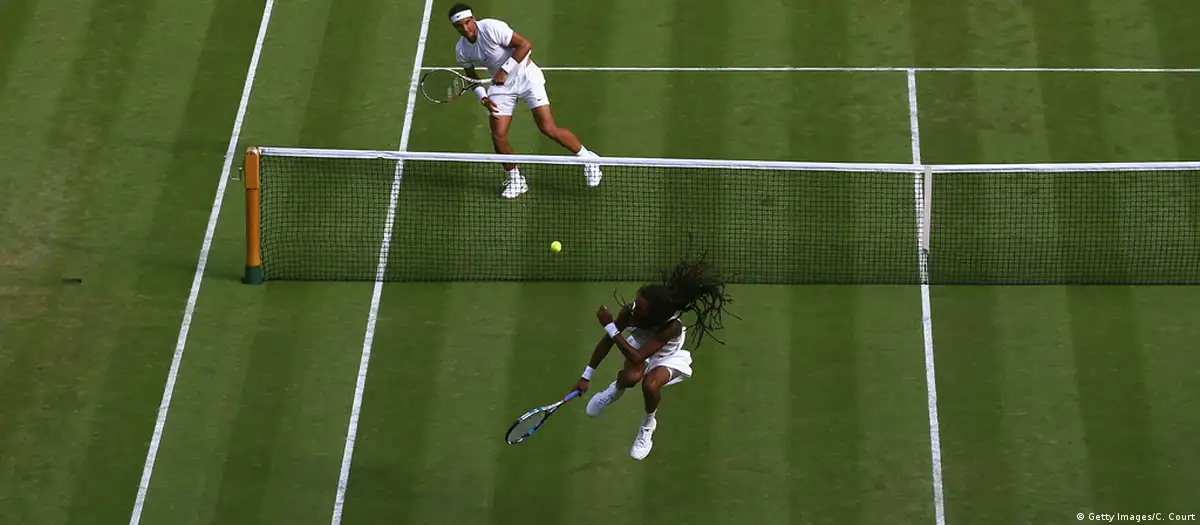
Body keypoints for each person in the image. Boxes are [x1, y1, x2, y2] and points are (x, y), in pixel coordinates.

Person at [571, 254, 736, 460]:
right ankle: (614, 391)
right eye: (636, 302)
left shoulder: (672, 327)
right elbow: (608, 342)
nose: (634, 308)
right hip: (639, 349)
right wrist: (586, 376)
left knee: (650, 385)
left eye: (641, 307)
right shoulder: (630, 312)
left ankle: (647, 426)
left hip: (667, 357)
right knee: (629, 378)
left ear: (655, 314)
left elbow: (636, 356)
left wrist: (610, 327)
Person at [447, 3, 602, 199]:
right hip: (502, 87)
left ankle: (588, 159)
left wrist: (504, 70)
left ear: (473, 19)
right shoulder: (462, 50)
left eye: (468, 22)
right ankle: (516, 179)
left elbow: (524, 45)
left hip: (527, 77)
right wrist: (483, 97)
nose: (466, 28)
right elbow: (471, 77)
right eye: (460, 26)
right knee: (498, 135)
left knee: (547, 128)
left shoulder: (492, 27)